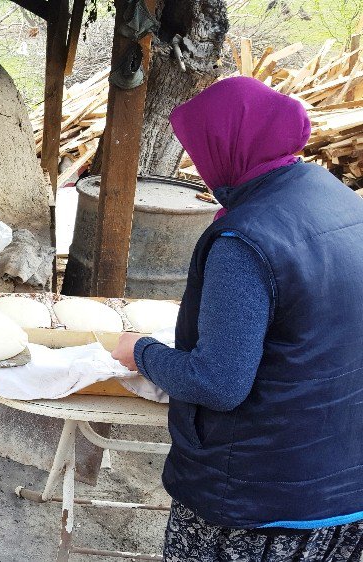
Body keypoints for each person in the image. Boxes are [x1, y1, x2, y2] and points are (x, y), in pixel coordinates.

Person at [111, 76, 363, 561]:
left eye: (200, 150)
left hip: (260, 497)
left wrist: (140, 351)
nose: (200, 166)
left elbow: (219, 382)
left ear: (227, 146)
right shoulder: (332, 194)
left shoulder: (246, 242)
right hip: (345, 481)